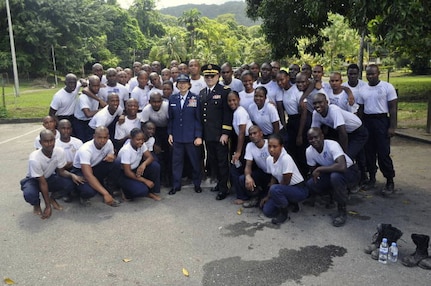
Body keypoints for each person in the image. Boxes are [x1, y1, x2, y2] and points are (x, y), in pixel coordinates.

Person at [20, 130, 84, 219]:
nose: (49, 144)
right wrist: (48, 206)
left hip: (49, 177)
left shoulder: (59, 151)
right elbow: (42, 183)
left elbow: (61, 171)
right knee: (30, 194)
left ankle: (52, 198)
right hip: (34, 179)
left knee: (70, 183)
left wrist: (72, 175)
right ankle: (36, 204)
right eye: (46, 141)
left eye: (52, 140)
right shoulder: (34, 159)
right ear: (40, 142)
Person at [305, 127, 360, 227]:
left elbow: (342, 166)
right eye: (310, 138)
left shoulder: (332, 145)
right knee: (311, 183)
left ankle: (342, 211)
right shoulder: (309, 151)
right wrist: (317, 173)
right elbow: (313, 171)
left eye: (316, 137)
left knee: (335, 177)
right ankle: (331, 196)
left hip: (350, 171)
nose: (313, 140)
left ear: (322, 136)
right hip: (331, 172)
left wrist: (320, 169)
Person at [357, 64, 397, 195]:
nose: (370, 76)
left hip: (381, 121)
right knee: (369, 152)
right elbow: (361, 110)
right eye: (368, 74)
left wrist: (392, 126)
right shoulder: (363, 89)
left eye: (373, 74)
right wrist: (360, 126)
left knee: (383, 152)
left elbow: (393, 108)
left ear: (378, 73)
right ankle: (372, 178)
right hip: (368, 121)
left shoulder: (387, 87)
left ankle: (389, 180)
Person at [199, 64, 233, 200]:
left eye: (212, 76)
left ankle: (224, 188)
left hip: (220, 135)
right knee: (213, 161)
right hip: (208, 135)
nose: (209, 78)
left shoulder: (224, 91)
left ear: (218, 76)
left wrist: (225, 133)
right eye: (206, 76)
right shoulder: (202, 93)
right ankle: (219, 183)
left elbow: (227, 113)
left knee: (222, 162)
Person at [260, 133, 308, 225]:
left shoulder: (286, 158)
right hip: (284, 189)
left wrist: (272, 194)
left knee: (275, 189)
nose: (271, 149)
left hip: (298, 189)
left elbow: (286, 181)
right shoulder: (269, 159)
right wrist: (268, 196)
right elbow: (273, 177)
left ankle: (284, 214)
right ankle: (288, 203)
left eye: (275, 146)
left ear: (281, 147)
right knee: (267, 211)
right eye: (269, 146)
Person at [168, 74, 203, 195]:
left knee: (194, 162)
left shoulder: (195, 98)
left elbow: (198, 119)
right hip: (177, 136)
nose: (182, 85)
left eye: (185, 83)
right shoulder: (172, 99)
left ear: (189, 85)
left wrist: (198, 135)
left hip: (191, 136)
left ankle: (197, 184)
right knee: (176, 162)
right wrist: (170, 134)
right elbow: (171, 119)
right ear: (176, 85)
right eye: (180, 83)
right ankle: (176, 185)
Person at [311, 93, 368, 165]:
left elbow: (342, 133)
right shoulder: (315, 114)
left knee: (347, 159)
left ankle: (361, 174)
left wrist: (342, 153)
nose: (317, 105)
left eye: (320, 102)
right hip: (346, 133)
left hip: (358, 133)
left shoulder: (334, 110)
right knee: (352, 157)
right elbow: (314, 132)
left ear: (327, 102)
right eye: (314, 103)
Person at [72, 126, 120, 207]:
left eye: (105, 138)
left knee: (117, 163)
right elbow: (88, 175)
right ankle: (79, 193)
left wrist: (112, 157)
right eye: (99, 137)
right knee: (90, 191)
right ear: (94, 136)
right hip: (80, 170)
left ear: (108, 137)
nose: (102, 140)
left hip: (95, 166)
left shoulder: (108, 143)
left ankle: (109, 187)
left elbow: (112, 156)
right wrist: (106, 194)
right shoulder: (86, 150)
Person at [117, 128, 161, 201]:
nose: (141, 142)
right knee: (141, 191)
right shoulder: (126, 150)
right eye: (138, 140)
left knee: (155, 166)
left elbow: (150, 157)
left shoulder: (142, 145)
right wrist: (144, 180)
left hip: (136, 169)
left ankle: (151, 191)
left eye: (142, 139)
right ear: (131, 138)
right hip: (125, 174)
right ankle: (125, 191)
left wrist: (143, 164)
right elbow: (127, 172)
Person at [234, 125, 272, 208]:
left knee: (266, 207)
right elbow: (248, 165)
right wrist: (248, 176)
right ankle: (255, 197)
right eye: (250, 134)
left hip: (274, 175)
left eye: (255, 133)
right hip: (263, 173)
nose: (252, 136)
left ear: (261, 133)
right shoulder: (249, 146)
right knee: (243, 179)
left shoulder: (270, 144)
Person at [73, 75, 102, 142]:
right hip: (80, 122)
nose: (96, 88)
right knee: (82, 141)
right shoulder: (83, 98)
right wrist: (100, 110)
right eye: (94, 86)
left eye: (98, 86)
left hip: (90, 121)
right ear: (89, 86)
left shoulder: (97, 94)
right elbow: (88, 114)